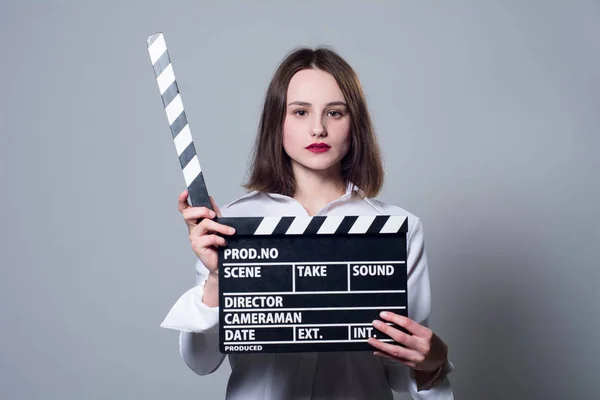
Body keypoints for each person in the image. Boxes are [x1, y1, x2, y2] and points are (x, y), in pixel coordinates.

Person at [160, 46, 454, 399]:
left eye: (335, 112)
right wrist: (217, 277)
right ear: (277, 123)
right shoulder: (233, 225)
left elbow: (402, 367)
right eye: (300, 112)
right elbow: (201, 361)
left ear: (354, 124)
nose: (318, 128)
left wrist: (433, 358)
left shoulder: (396, 228)